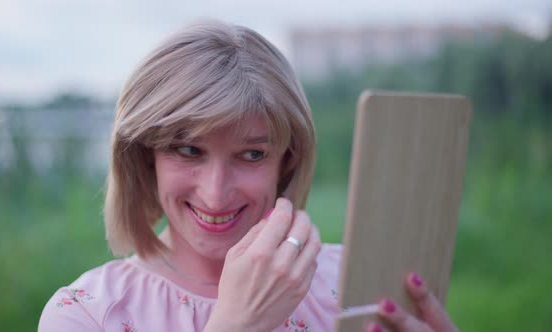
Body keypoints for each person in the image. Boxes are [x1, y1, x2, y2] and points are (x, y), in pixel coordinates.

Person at [39, 20, 459, 332]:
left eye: (252, 154)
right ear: (144, 156)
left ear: (288, 161)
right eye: (189, 150)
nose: (216, 194)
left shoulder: (359, 282)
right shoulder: (87, 314)